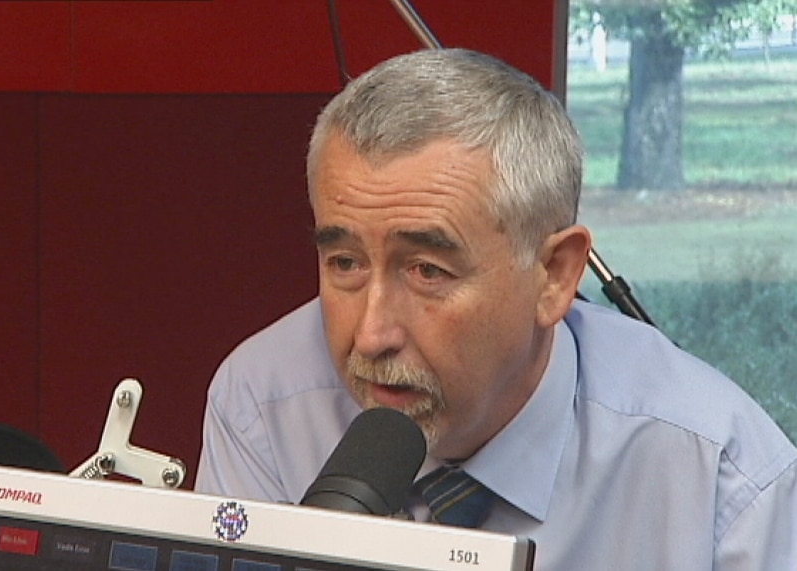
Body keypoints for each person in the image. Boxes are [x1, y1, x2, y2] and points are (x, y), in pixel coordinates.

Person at [195, 48, 797, 569]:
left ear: (555, 276)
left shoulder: (724, 479)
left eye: (428, 271)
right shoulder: (261, 404)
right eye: (345, 263)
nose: (371, 334)